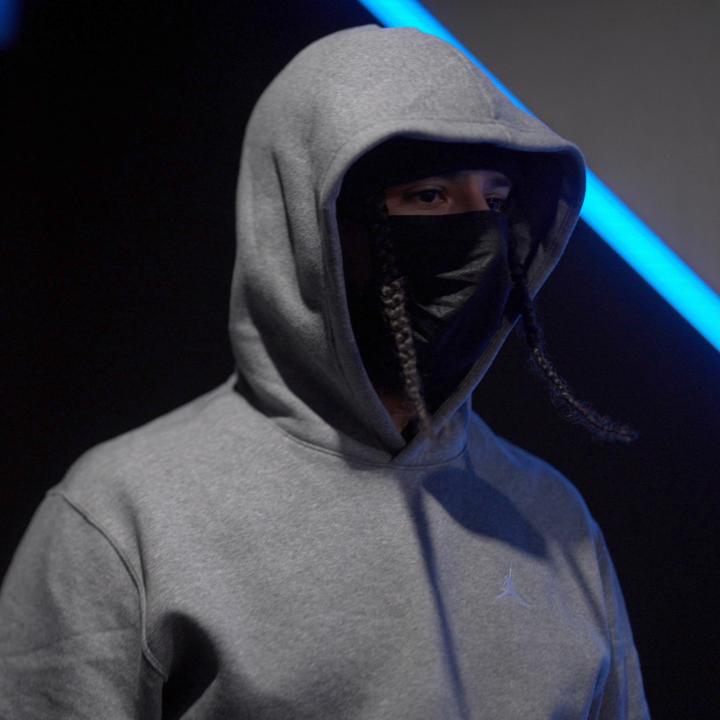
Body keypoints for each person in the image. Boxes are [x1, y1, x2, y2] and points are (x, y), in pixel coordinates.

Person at [0, 25, 649, 718]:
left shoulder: (552, 518)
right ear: (312, 223)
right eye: (429, 196)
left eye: (494, 201)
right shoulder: (125, 514)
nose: (478, 232)